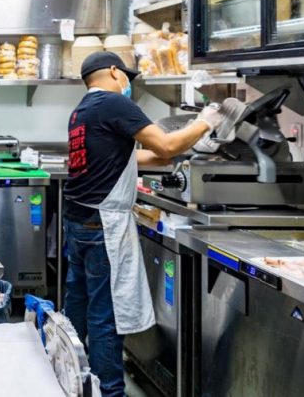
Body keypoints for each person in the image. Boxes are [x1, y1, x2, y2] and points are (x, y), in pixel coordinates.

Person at [63, 52, 224, 397]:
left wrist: (187, 142)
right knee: (106, 316)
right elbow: (164, 143)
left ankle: (67, 380)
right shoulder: (113, 104)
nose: (129, 84)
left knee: (76, 307)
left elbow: (143, 155)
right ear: (112, 72)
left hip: (79, 222)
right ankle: (109, 392)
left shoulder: (83, 111)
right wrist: (206, 121)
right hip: (102, 225)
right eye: (127, 76)